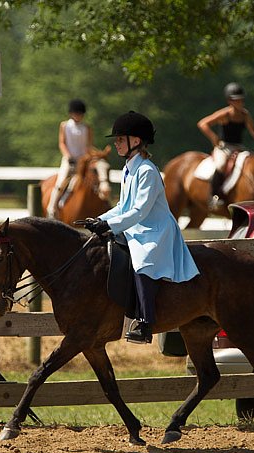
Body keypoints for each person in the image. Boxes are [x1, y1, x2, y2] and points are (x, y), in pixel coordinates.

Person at [83, 111, 200, 344]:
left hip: (154, 230)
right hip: (136, 227)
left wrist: (109, 224)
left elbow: (139, 211)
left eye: (120, 139)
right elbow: (122, 206)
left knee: (142, 261)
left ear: (135, 141)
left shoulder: (147, 171)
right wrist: (99, 219)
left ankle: (146, 322)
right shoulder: (129, 168)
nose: (115, 143)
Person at [197, 82, 254, 209]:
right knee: (221, 165)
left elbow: (253, 129)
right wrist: (214, 138)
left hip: (239, 147)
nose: (240, 102)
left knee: (249, 164)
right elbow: (203, 124)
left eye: (241, 100)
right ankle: (215, 196)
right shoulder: (225, 114)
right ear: (230, 101)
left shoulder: (245, 115)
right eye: (237, 100)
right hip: (224, 147)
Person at [47, 99, 94, 218]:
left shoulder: (86, 127)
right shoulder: (65, 125)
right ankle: (52, 208)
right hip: (69, 159)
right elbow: (62, 143)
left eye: (80, 114)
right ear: (71, 113)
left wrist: (90, 157)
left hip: (83, 161)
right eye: (76, 113)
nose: (78, 116)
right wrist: (68, 156)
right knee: (61, 180)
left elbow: (88, 146)